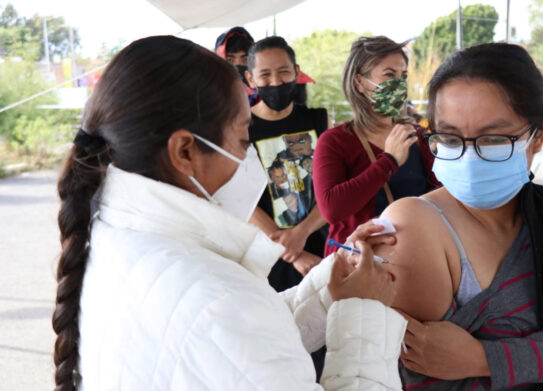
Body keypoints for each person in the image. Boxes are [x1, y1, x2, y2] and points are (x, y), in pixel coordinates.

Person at [51, 35, 406, 391]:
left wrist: (330, 286)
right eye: (242, 139)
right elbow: (230, 326)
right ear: (185, 152)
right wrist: (363, 313)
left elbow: (243, 348)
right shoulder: (211, 294)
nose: (249, 157)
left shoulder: (118, 238)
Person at [365, 43, 543, 390]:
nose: (468, 156)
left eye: (493, 139)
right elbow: (413, 377)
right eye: (449, 137)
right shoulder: (414, 227)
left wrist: (483, 358)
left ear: (537, 136)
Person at [313, 36, 439, 255]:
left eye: (403, 76)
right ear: (359, 82)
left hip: (413, 255)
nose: (398, 84)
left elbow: (439, 193)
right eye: (389, 75)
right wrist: (388, 161)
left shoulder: (416, 135)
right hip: (355, 261)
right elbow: (332, 209)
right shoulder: (335, 141)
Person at [243, 36, 331, 289]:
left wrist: (301, 233)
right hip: (268, 257)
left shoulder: (319, 121)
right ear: (250, 79)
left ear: (297, 73)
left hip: (321, 247)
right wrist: (291, 252)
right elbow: (243, 199)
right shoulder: (240, 129)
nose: (275, 82)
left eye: (283, 72)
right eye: (265, 75)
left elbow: (332, 187)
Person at [214, 26, 259, 105]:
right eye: (230, 60)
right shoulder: (211, 96)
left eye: (245, 59)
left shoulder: (263, 94)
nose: (238, 65)